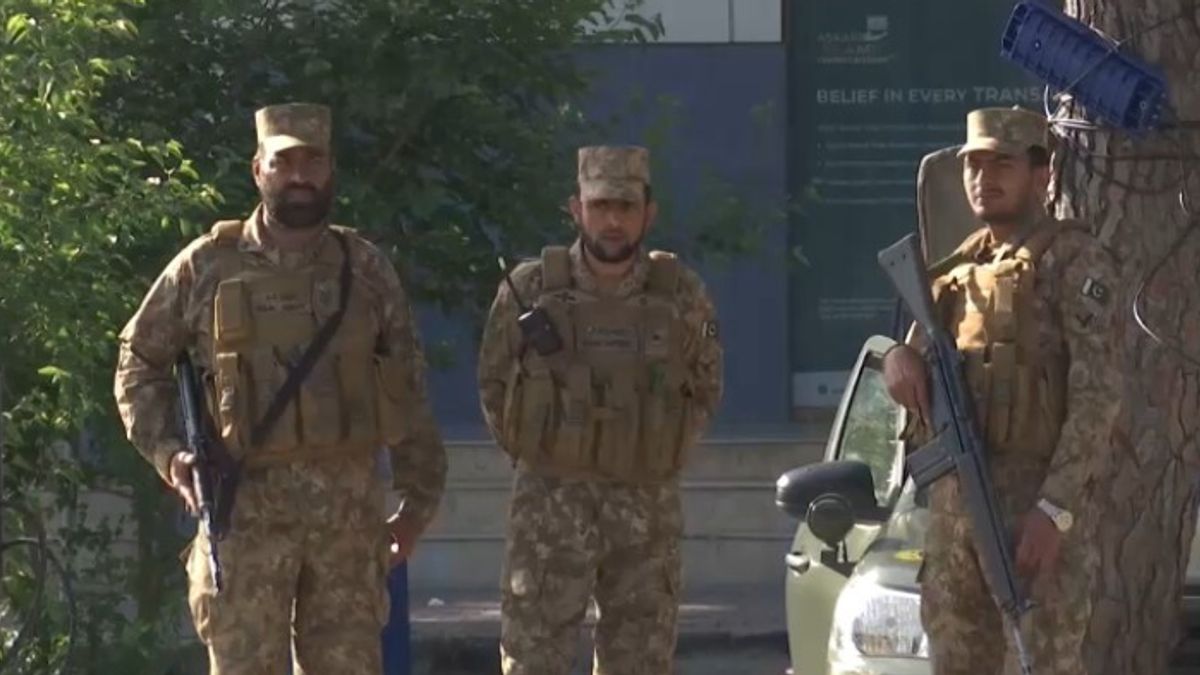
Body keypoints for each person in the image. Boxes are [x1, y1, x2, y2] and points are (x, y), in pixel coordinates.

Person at [113, 102, 447, 674]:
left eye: (312, 161)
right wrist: (170, 455)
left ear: (330, 169)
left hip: (346, 529)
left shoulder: (365, 270)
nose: (299, 176)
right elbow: (138, 362)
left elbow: (407, 387)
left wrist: (416, 508)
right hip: (244, 521)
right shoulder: (206, 267)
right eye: (283, 162)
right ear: (258, 170)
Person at [884, 107, 1121, 675]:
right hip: (954, 525)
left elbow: (1098, 399)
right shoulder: (959, 268)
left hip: (1029, 524)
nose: (983, 178)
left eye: (1002, 165)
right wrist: (896, 357)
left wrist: (1055, 510)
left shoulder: (1073, 261)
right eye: (974, 165)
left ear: (1042, 175)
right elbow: (913, 355)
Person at [477, 145, 723, 674]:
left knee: (640, 662)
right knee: (532, 661)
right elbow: (495, 386)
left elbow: (705, 387)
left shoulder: (681, 294)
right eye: (600, 205)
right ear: (577, 209)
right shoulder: (529, 289)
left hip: (645, 508)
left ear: (648, 214)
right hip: (548, 507)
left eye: (626, 207)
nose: (613, 220)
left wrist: (653, 450)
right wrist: (547, 454)